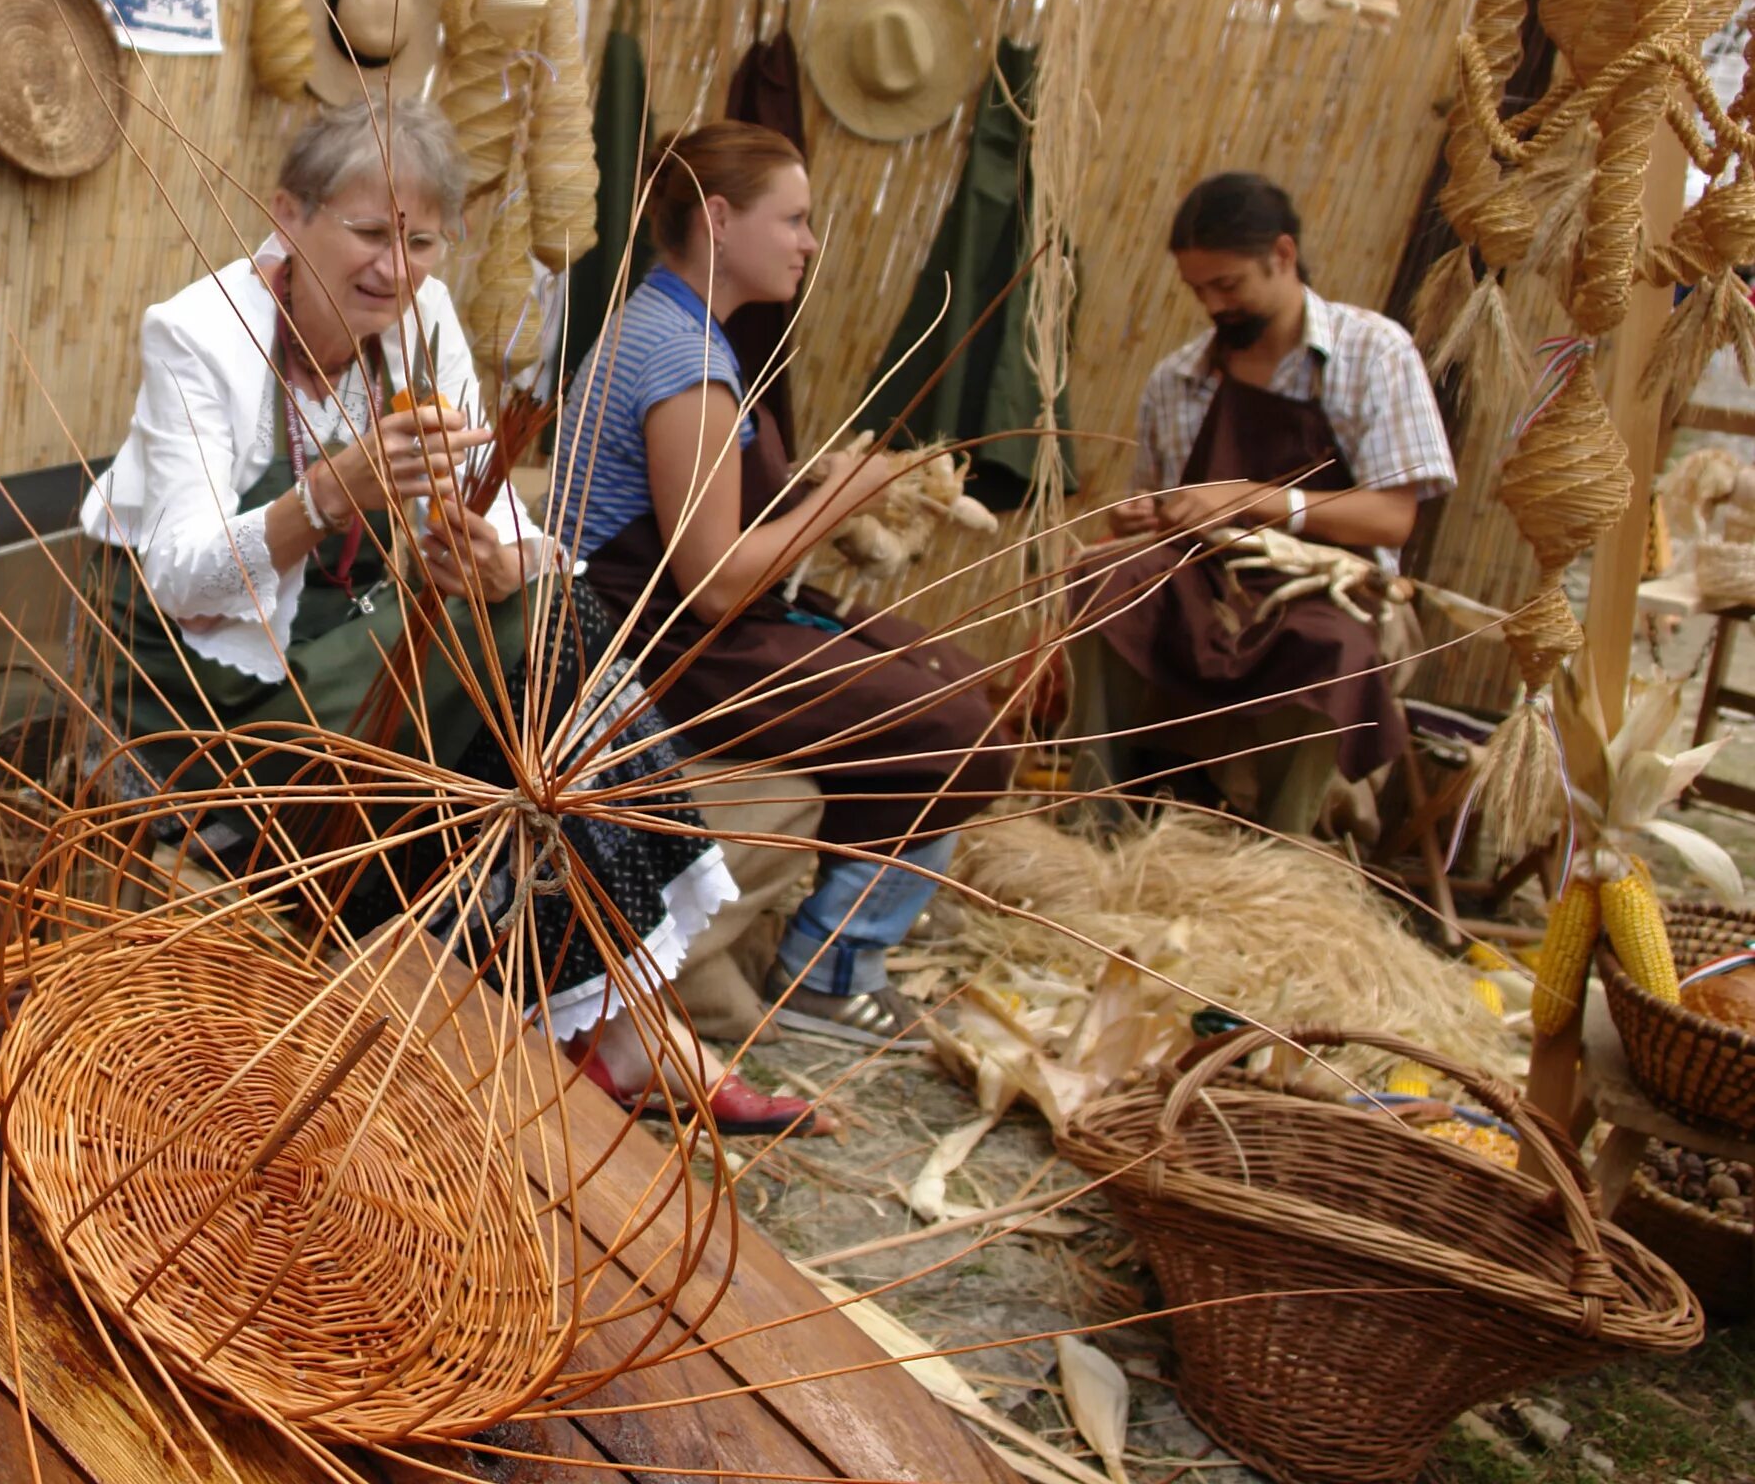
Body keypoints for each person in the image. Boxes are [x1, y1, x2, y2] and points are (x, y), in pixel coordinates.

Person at [81, 98, 808, 1132]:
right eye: (370, 233)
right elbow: (185, 575)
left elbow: (499, 512)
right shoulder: (202, 333)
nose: (397, 266)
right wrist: (327, 494)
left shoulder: (419, 321)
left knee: (537, 612)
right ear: (288, 214)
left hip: (353, 640)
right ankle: (617, 1022)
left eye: (420, 240)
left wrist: (493, 558)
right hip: (212, 690)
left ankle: (594, 1013)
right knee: (533, 644)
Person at [553, 122, 1014, 1051]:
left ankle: (835, 932)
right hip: (652, 649)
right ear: (720, 220)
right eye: (794, 220)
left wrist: (818, 483)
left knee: (953, 677)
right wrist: (840, 498)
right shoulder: (682, 360)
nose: (809, 241)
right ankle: (832, 967)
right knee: (961, 731)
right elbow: (715, 584)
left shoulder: (676, 326)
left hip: (690, 628)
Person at [1073, 171, 1455, 832]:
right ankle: (1093, 821)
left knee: (1329, 645)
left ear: (1282, 256)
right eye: (1198, 290)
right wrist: (1143, 516)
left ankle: (1280, 850)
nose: (1214, 306)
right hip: (1204, 579)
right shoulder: (1179, 380)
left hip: (1330, 588)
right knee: (1101, 580)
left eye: (1229, 285)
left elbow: (1393, 516)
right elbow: (1161, 504)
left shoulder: (1373, 354)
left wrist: (1252, 497)